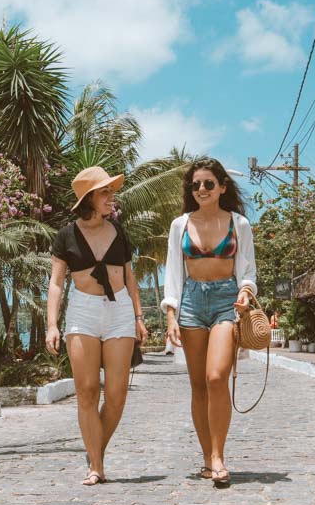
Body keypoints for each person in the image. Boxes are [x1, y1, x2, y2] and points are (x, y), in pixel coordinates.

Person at [46, 166, 148, 486]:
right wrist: (52, 324)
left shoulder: (118, 230)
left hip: (118, 312)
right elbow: (56, 284)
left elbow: (130, 278)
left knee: (116, 396)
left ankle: (94, 452)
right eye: (105, 192)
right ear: (89, 197)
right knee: (87, 391)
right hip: (82, 313)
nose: (111, 198)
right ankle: (97, 468)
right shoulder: (66, 235)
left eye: (110, 192)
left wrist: (139, 316)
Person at [161, 157, 256, 488]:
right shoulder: (180, 225)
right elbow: (173, 273)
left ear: (222, 188)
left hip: (225, 303)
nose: (201, 189)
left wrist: (245, 292)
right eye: (196, 184)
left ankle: (218, 457)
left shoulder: (239, 224)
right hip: (190, 304)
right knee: (198, 385)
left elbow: (247, 272)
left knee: (217, 377)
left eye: (208, 184)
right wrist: (171, 313)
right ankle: (206, 458)